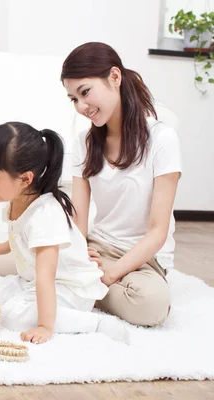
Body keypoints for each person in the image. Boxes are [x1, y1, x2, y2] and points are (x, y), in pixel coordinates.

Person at [0, 122, 127, 344]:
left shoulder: (45, 215)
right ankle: (31, 307)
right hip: (30, 279)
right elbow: (22, 234)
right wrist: (5, 246)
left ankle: (95, 323)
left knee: (12, 315)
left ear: (25, 178)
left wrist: (44, 326)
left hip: (70, 289)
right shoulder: (18, 201)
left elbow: (46, 276)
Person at [61, 42, 182, 326]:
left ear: (115, 77)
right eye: (73, 99)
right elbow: (79, 220)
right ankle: (73, 283)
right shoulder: (84, 143)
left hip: (145, 259)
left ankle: (74, 288)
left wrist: (111, 273)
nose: (81, 106)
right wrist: (81, 255)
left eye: (85, 92)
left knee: (150, 306)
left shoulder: (162, 139)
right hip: (98, 247)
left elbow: (158, 232)